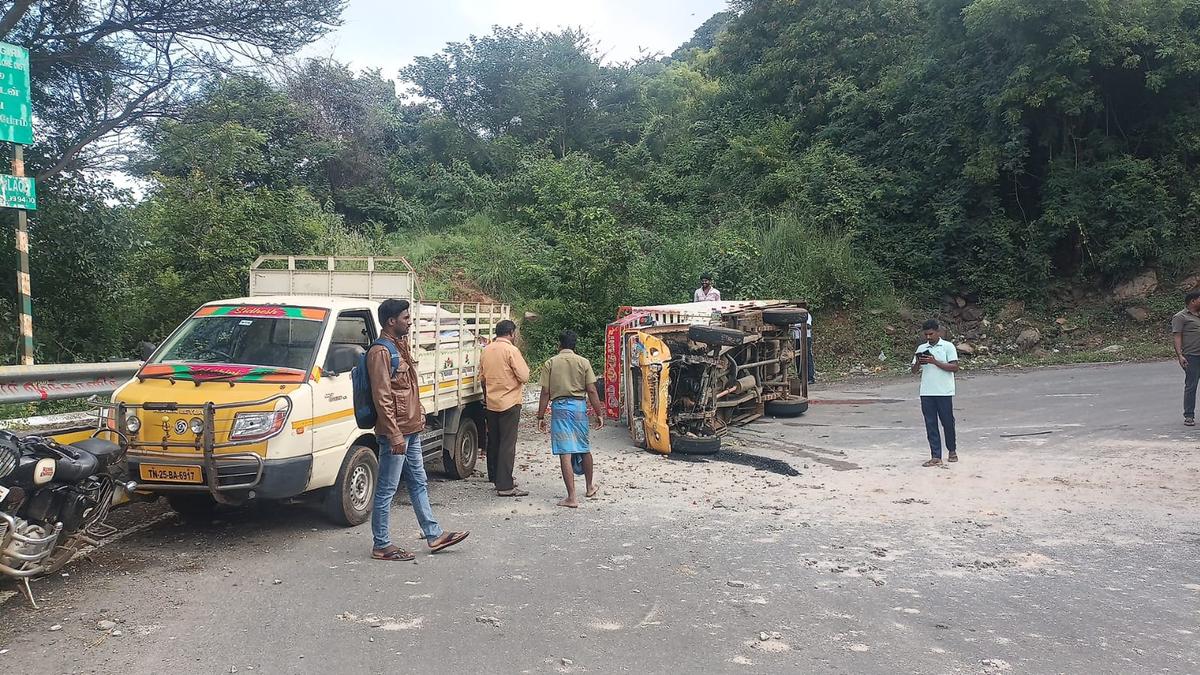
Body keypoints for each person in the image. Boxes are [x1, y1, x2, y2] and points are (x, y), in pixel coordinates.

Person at [368, 298, 469, 561]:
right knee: (387, 489)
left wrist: (419, 416)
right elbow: (383, 398)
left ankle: (434, 535)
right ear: (391, 321)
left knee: (419, 483)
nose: (410, 321)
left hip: (410, 430)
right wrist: (393, 433)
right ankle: (381, 544)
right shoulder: (380, 352)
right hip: (397, 433)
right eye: (405, 317)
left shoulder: (399, 347)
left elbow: (408, 390)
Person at [536, 330, 605, 508]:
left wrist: (540, 416)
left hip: (560, 409)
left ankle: (572, 497)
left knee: (565, 451)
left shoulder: (550, 363)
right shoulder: (584, 362)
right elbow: (591, 390)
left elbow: (545, 392)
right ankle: (590, 487)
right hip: (579, 408)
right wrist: (598, 413)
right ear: (575, 346)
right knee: (583, 447)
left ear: (559, 345)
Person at [480, 319, 530, 496]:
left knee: (494, 441)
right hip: (509, 402)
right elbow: (524, 376)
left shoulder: (486, 350)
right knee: (507, 444)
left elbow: (483, 378)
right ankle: (505, 486)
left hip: (492, 402)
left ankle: (495, 477)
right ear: (511, 333)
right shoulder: (511, 350)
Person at [910, 319, 960, 467]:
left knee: (947, 422)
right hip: (926, 391)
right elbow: (913, 371)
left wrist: (934, 362)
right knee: (930, 424)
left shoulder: (947, 346)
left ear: (938, 332)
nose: (928, 337)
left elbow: (954, 367)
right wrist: (919, 362)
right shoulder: (921, 348)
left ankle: (952, 450)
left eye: (931, 334)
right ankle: (936, 455)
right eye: (926, 334)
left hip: (944, 391)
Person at [1172, 291, 1200, 427]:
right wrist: (1179, 355)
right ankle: (1189, 415)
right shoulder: (1180, 317)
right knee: (1191, 385)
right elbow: (1177, 336)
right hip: (1192, 356)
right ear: (1193, 301)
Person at [791, 308, 815, 385]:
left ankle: (810, 377)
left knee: (807, 356)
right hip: (797, 338)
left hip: (805, 337)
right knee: (798, 358)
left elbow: (808, 326)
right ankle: (801, 376)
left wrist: (798, 327)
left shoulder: (806, 315)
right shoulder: (793, 316)